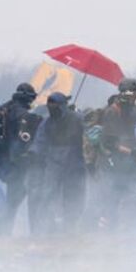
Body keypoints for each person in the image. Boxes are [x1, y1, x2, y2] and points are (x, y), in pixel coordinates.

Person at [29, 93, 86, 235]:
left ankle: (71, 227)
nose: (52, 108)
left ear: (62, 105)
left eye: (55, 105)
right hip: (54, 163)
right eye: (50, 105)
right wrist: (34, 153)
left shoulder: (78, 119)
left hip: (75, 163)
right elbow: (40, 141)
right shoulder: (47, 123)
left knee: (74, 196)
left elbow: (88, 137)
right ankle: (44, 228)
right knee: (48, 195)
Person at [0, 83, 42, 235]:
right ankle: (1, 233)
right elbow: (23, 142)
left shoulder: (4, 109)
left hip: (0, 160)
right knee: (13, 201)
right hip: (18, 164)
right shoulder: (25, 115)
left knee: (9, 201)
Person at [94, 78, 136, 230]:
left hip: (129, 160)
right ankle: (108, 228)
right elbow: (109, 142)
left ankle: (128, 227)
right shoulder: (112, 112)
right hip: (114, 161)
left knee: (134, 191)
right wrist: (130, 151)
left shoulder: (132, 110)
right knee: (114, 195)